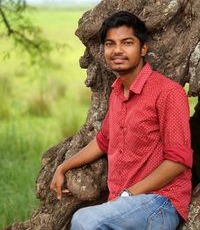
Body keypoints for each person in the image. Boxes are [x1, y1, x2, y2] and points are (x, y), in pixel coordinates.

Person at [50, 11, 193, 230]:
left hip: (160, 202)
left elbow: (178, 160)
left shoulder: (168, 93)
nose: (117, 50)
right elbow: (103, 141)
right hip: (126, 204)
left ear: (143, 48)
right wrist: (62, 167)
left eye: (127, 43)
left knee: (85, 221)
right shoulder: (117, 93)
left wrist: (129, 194)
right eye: (110, 44)